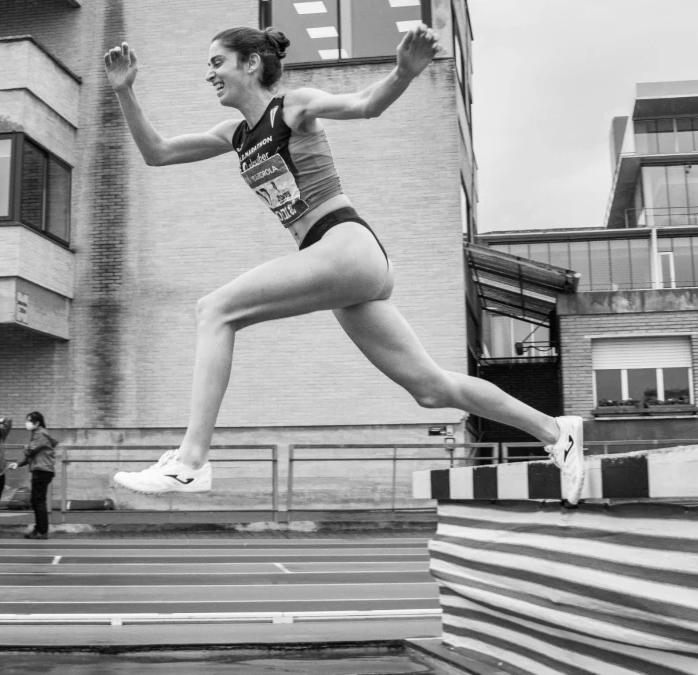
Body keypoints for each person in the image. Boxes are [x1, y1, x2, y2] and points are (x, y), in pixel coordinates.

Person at [101, 25, 586, 503]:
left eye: (216, 63)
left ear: (251, 64)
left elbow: (364, 104)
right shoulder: (235, 134)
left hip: (343, 243)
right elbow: (157, 153)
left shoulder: (293, 106)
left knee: (215, 310)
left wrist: (402, 73)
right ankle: (555, 431)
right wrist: (125, 92)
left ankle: (190, 463)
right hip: (341, 262)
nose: (209, 74)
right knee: (431, 389)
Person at [7, 412, 58, 540]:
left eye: (29, 421)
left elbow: (30, 450)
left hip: (42, 470)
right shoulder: (37, 435)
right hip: (41, 470)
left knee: (38, 501)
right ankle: (39, 529)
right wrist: (17, 464)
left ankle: (42, 530)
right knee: (36, 501)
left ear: (37, 423)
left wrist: (26, 447)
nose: (27, 423)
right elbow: (30, 455)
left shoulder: (40, 434)